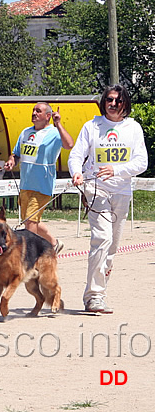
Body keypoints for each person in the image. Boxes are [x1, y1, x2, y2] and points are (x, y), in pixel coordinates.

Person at [68, 85, 147, 314]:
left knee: (111, 248)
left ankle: (100, 292)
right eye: (109, 100)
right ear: (104, 102)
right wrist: (76, 171)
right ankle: (93, 296)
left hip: (121, 192)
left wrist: (117, 170)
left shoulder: (133, 128)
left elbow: (141, 162)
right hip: (95, 190)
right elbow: (76, 154)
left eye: (118, 100)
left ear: (125, 104)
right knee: (101, 239)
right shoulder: (92, 126)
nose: (113, 104)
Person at [4, 102, 74, 254]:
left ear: (47, 116)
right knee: (30, 221)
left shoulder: (54, 133)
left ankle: (32, 255)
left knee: (30, 222)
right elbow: (16, 154)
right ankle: (54, 243)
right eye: (33, 110)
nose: (34, 113)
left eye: (38, 111)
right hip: (25, 185)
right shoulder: (25, 132)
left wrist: (58, 124)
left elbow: (69, 144)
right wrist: (11, 161)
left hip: (42, 186)